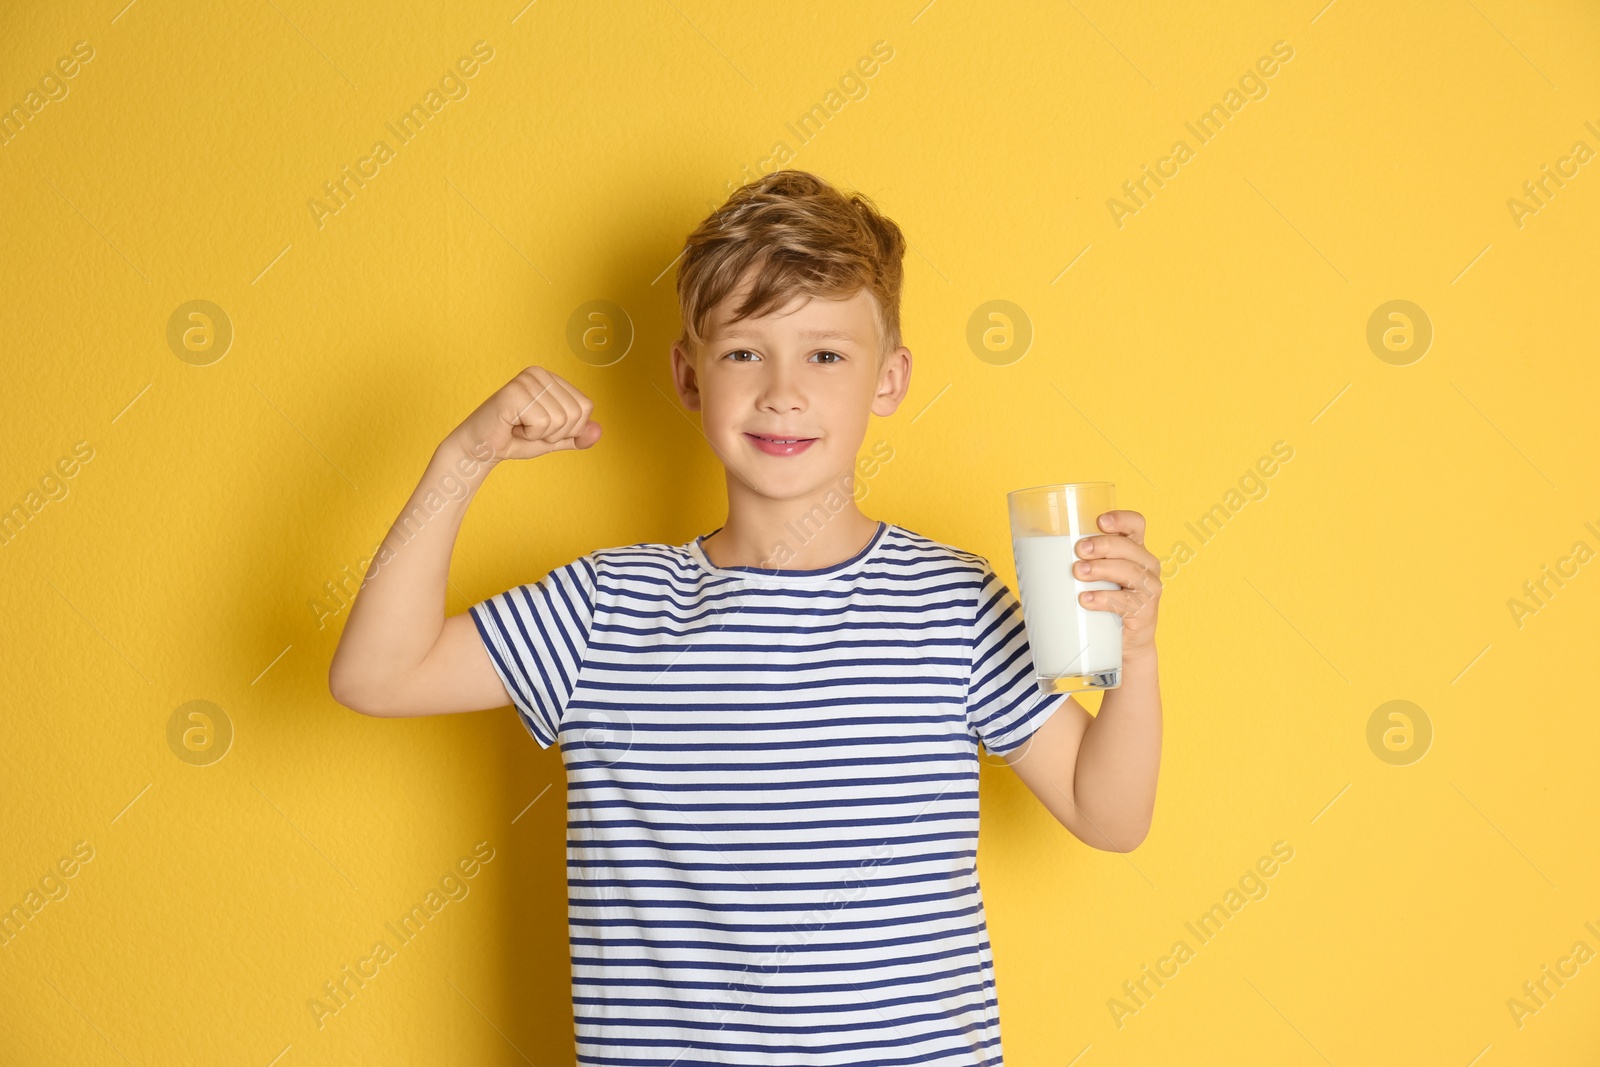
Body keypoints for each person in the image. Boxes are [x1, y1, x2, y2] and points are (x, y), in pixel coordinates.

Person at [328, 169, 1163, 1065]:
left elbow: (1106, 812)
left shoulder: (952, 600)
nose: (783, 390)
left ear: (890, 379)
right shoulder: (606, 608)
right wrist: (466, 456)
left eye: (826, 354)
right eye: (743, 352)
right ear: (689, 378)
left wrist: (1137, 654)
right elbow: (378, 673)